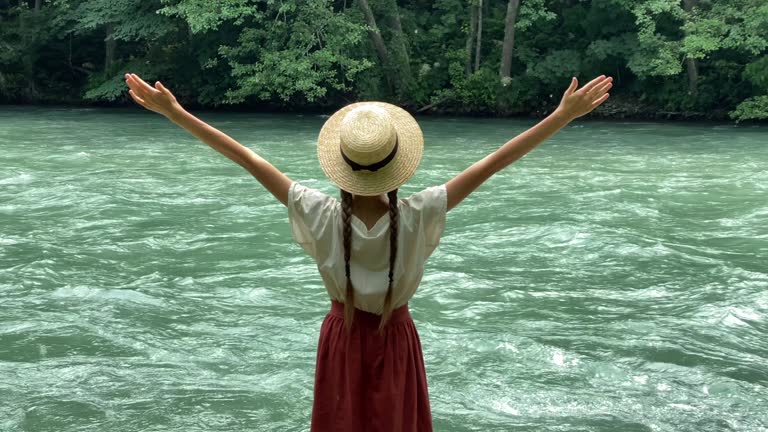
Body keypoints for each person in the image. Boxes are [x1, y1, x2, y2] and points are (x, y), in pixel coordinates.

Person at [124, 72, 612, 431]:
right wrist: (562, 116)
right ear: (396, 164)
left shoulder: (316, 211)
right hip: (395, 336)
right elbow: (495, 162)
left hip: (343, 335)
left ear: (342, 165)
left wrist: (175, 113)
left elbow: (245, 157)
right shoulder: (421, 211)